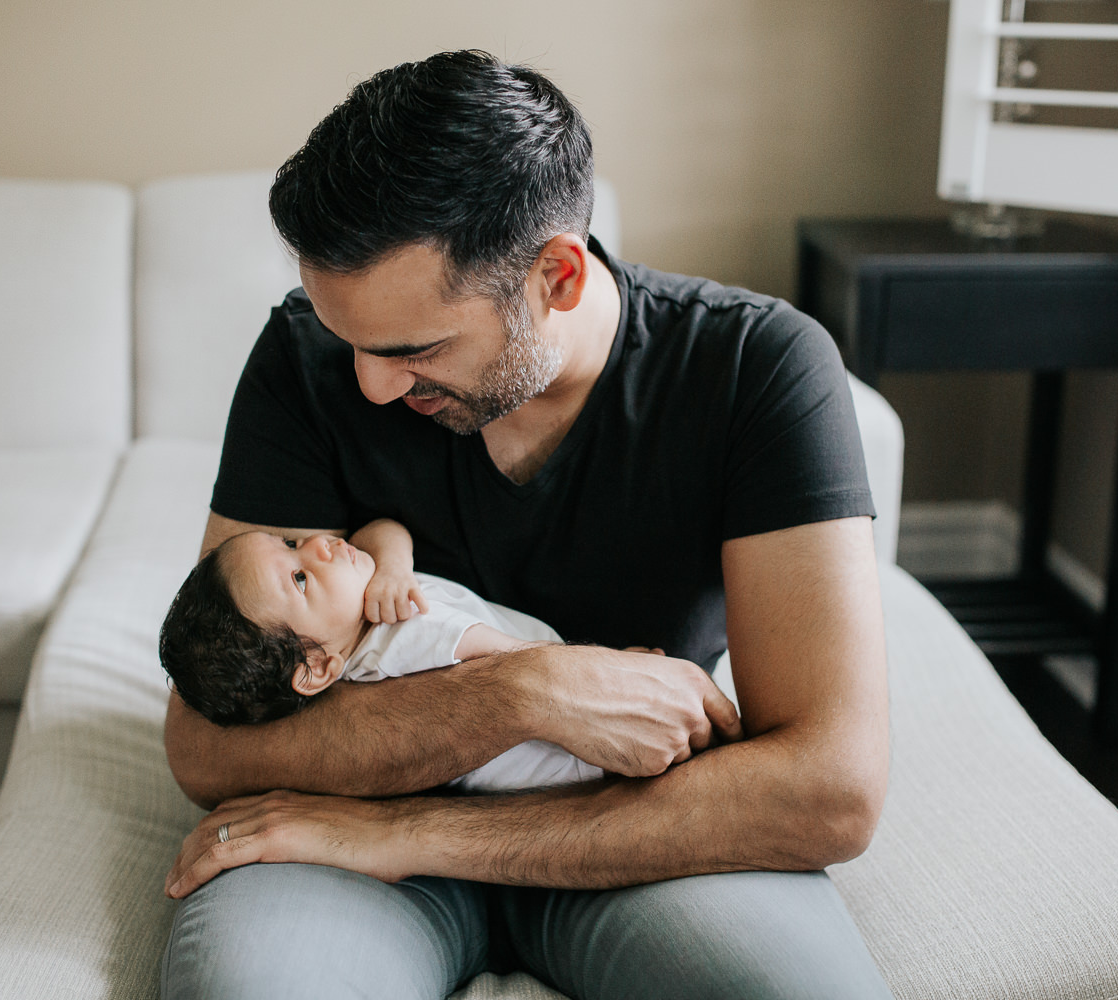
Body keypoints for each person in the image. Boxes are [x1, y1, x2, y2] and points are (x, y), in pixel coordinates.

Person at [161, 49, 893, 1000]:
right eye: (351, 343)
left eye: (413, 348)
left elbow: (831, 788)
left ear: (558, 276)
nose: (370, 385)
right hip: (341, 844)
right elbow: (205, 744)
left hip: (632, 831)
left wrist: (412, 832)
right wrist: (522, 692)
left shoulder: (760, 368)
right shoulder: (303, 360)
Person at [157, 519, 602, 792]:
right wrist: (620, 667)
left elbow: (380, 529)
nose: (318, 544)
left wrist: (391, 568)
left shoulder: (356, 619)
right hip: (580, 757)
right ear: (316, 668)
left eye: (288, 543)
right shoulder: (403, 641)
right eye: (299, 579)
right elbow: (535, 668)